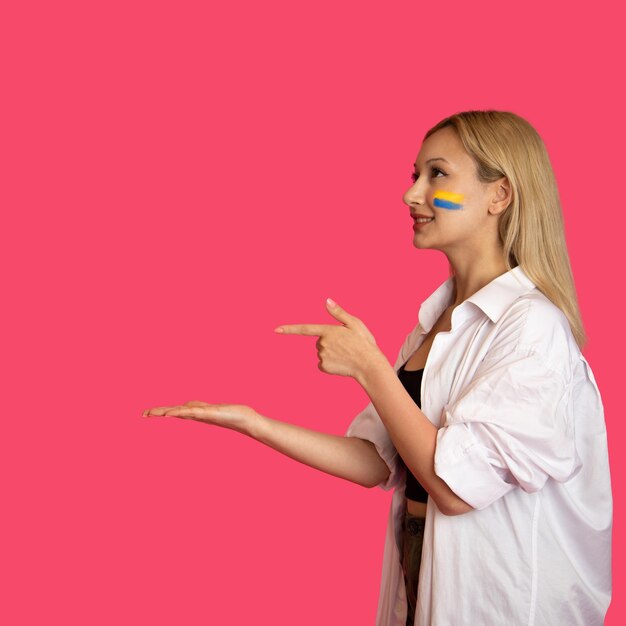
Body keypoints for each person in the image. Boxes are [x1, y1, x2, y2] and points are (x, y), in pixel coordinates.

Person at [142, 110, 612, 625]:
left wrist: (370, 368)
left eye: (438, 174)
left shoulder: (531, 329)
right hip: (420, 579)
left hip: (500, 606)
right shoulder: (437, 323)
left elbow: (455, 489)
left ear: (499, 195)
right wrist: (254, 422)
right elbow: (378, 460)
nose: (412, 195)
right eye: (415, 175)